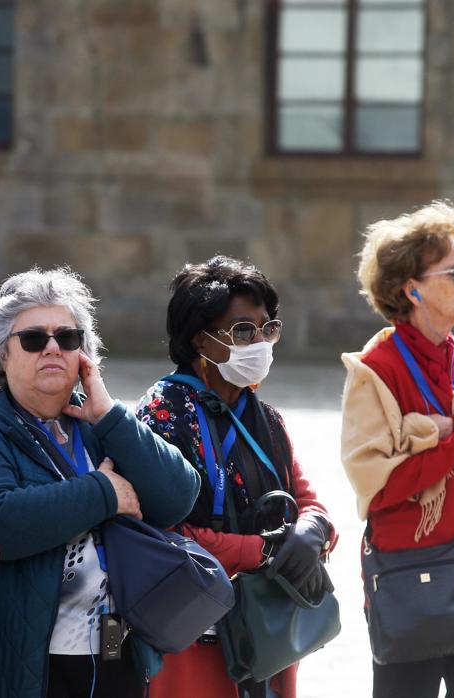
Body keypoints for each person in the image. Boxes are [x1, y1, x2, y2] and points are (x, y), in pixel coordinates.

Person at [0, 267, 202, 698]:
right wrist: (105, 493)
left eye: (67, 338)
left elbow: (177, 497)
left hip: (116, 652)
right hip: (23, 664)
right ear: (2, 353)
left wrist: (113, 417)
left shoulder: (100, 422)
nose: (52, 349)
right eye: (32, 339)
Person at [134, 256, 337, 698]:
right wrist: (261, 551)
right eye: (243, 330)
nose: (260, 342)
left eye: (268, 328)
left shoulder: (265, 417)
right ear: (199, 341)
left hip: (268, 629)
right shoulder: (158, 419)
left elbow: (305, 498)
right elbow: (161, 532)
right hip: (192, 631)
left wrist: (312, 530)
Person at [341, 201, 454, 698]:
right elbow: (379, 491)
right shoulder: (375, 373)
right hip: (406, 581)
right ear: (411, 288)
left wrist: (451, 438)